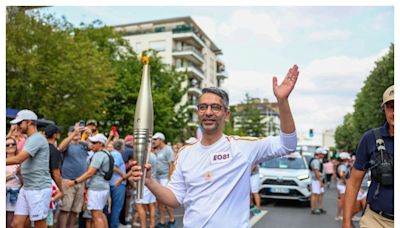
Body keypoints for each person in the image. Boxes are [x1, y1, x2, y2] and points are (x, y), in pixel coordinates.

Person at [132, 64, 299, 227]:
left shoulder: (242, 147)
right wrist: (149, 182)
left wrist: (282, 101)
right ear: (198, 112)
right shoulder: (185, 153)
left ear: (226, 115)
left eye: (215, 107)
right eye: (203, 107)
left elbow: (287, 144)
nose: (209, 112)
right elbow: (175, 199)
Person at [343, 85, 394, 228]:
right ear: (383, 109)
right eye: (391, 107)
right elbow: (353, 183)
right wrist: (346, 222)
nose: (395, 112)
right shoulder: (370, 138)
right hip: (377, 221)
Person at [6, 109, 53, 228]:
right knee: (17, 224)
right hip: (27, 187)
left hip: (38, 188)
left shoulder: (36, 138)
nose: (17, 126)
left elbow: (18, 159)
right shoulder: (30, 139)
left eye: (19, 123)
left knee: (39, 225)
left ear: (29, 122)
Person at [64, 133, 112, 228]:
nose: (91, 145)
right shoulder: (106, 153)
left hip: (96, 188)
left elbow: (90, 173)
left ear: (101, 144)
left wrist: (74, 182)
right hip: (102, 187)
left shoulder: (99, 155)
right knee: (101, 214)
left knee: (96, 216)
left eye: (94, 143)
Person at [57, 124, 90, 228]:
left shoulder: (83, 144)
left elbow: (95, 146)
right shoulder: (68, 144)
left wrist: (89, 135)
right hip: (67, 181)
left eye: (79, 132)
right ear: (69, 133)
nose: (77, 134)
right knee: (65, 209)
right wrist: (73, 135)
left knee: (75, 210)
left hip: (80, 181)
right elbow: (61, 147)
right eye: (74, 131)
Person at [152, 132, 176, 228]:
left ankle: (172, 220)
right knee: (160, 201)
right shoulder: (157, 150)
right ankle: (162, 221)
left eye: (155, 139)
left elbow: (172, 165)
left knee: (167, 201)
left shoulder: (168, 150)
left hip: (165, 178)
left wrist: (170, 179)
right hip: (158, 178)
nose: (154, 141)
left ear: (161, 140)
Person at [6, 136, 23, 228]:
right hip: (4, 191)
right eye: (7, 145)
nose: (10, 146)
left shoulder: (20, 161)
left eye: (13, 144)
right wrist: (13, 174)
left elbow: (23, 182)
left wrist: (20, 174)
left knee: (11, 220)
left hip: (15, 193)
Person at [44, 124, 63, 194]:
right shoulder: (54, 151)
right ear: (55, 135)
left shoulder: (41, 148)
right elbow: (56, 172)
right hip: (51, 184)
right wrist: (61, 189)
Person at [310, 148, 327, 215]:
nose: (324, 155)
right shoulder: (316, 161)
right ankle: (313, 209)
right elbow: (316, 172)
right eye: (322, 154)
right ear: (319, 154)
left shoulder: (317, 160)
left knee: (320, 193)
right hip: (316, 180)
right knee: (314, 194)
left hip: (318, 179)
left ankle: (319, 208)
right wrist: (320, 182)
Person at [335, 152, 351, 221]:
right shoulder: (343, 166)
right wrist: (345, 182)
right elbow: (342, 174)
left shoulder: (341, 165)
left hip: (340, 185)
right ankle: (339, 215)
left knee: (341, 200)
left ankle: (339, 215)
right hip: (342, 186)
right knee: (342, 201)